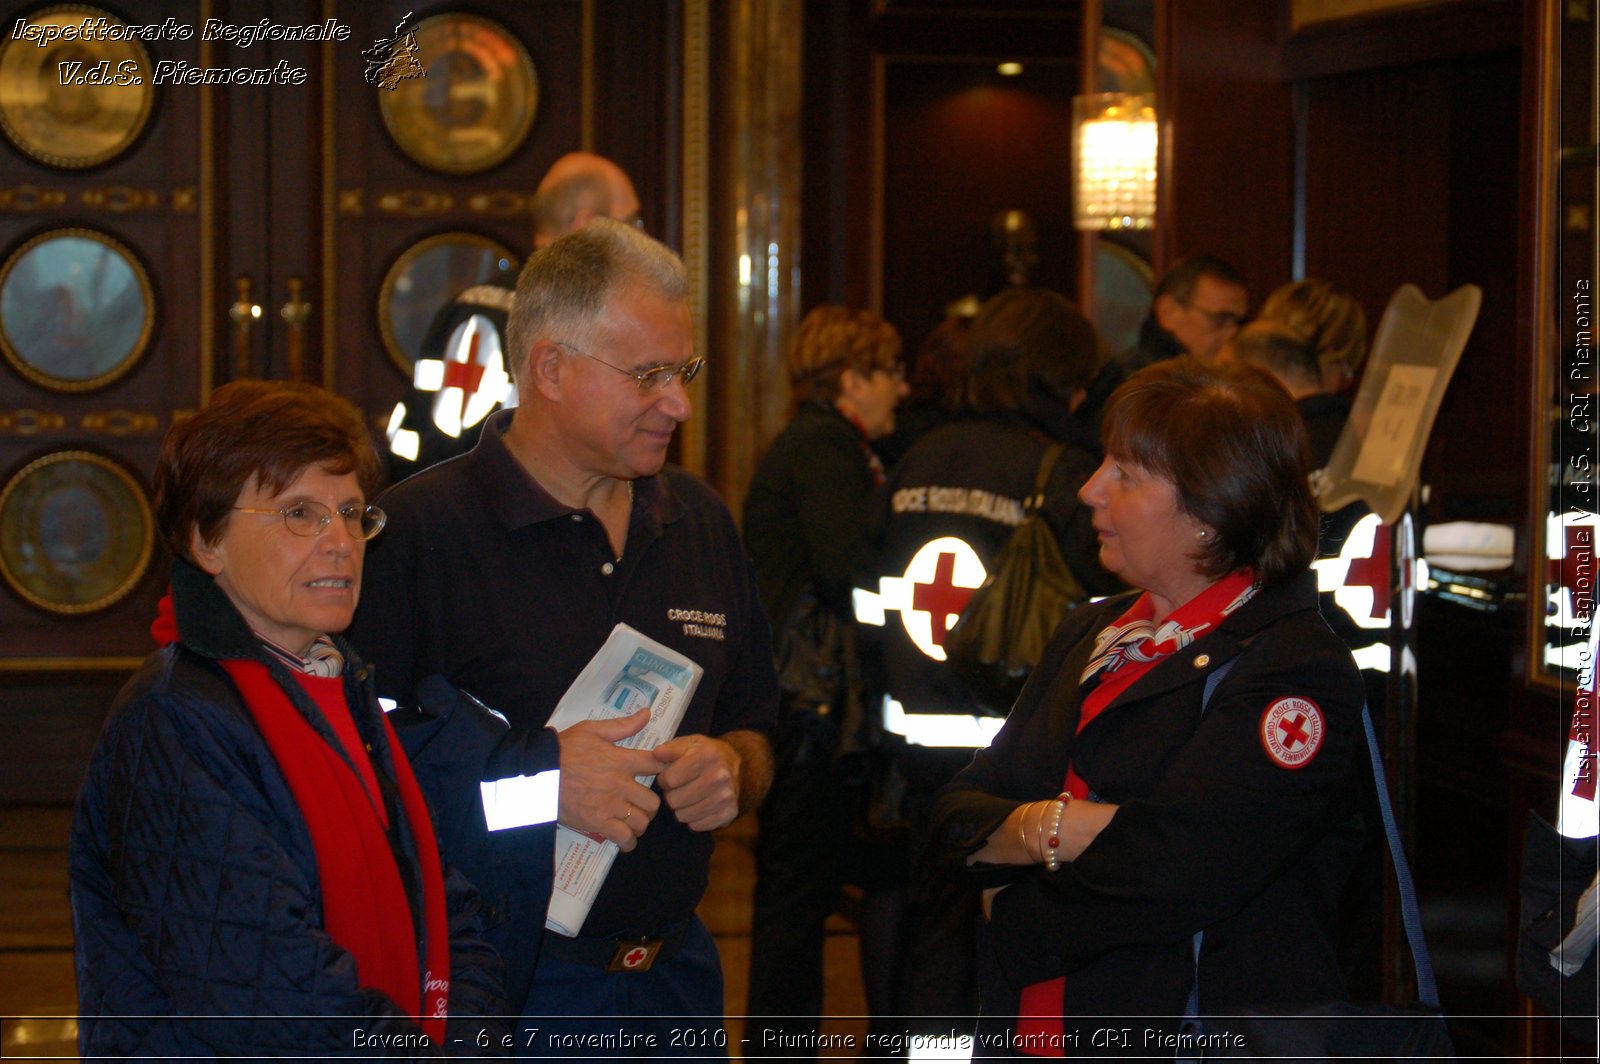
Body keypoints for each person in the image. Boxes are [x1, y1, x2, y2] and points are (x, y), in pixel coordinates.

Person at [351, 218, 778, 1051]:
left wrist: (732, 767)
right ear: (549, 367)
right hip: (507, 991)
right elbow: (372, 794)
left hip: (677, 983)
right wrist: (543, 785)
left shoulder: (700, 522)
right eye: (649, 375)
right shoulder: (418, 538)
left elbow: (759, 725)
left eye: (683, 371)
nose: (680, 403)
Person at [929, 358, 1367, 1052]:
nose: (1090, 489)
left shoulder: (1292, 667)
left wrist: (1011, 901)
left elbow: (1175, 869)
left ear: (1207, 515)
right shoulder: (1093, 630)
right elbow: (958, 810)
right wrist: (1059, 828)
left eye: (1125, 475)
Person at [70, 380, 507, 1060]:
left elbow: (446, 908)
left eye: (354, 512)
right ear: (206, 541)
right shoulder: (174, 720)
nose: (341, 541)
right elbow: (269, 998)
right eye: (299, 513)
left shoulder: (344, 684)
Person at [853, 287, 1121, 1027]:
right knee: (988, 964)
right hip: (1014, 768)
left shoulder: (913, 459)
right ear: (1063, 377)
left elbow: (870, 606)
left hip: (912, 755)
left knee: (922, 940)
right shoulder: (1066, 473)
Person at [741, 306, 907, 1053]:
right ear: (852, 379)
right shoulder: (826, 447)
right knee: (796, 901)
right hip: (809, 710)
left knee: (798, 895)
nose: (900, 390)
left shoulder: (813, 442)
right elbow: (849, 572)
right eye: (889, 373)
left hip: (797, 705)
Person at [384, 152, 642, 481]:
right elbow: (467, 454)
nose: (640, 238)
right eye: (632, 222)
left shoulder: (475, 303)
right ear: (588, 224)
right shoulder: (528, 317)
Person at [1118, 255, 1248, 370]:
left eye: (1240, 322)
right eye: (1220, 319)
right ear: (1169, 312)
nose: (1232, 333)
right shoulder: (1137, 382)